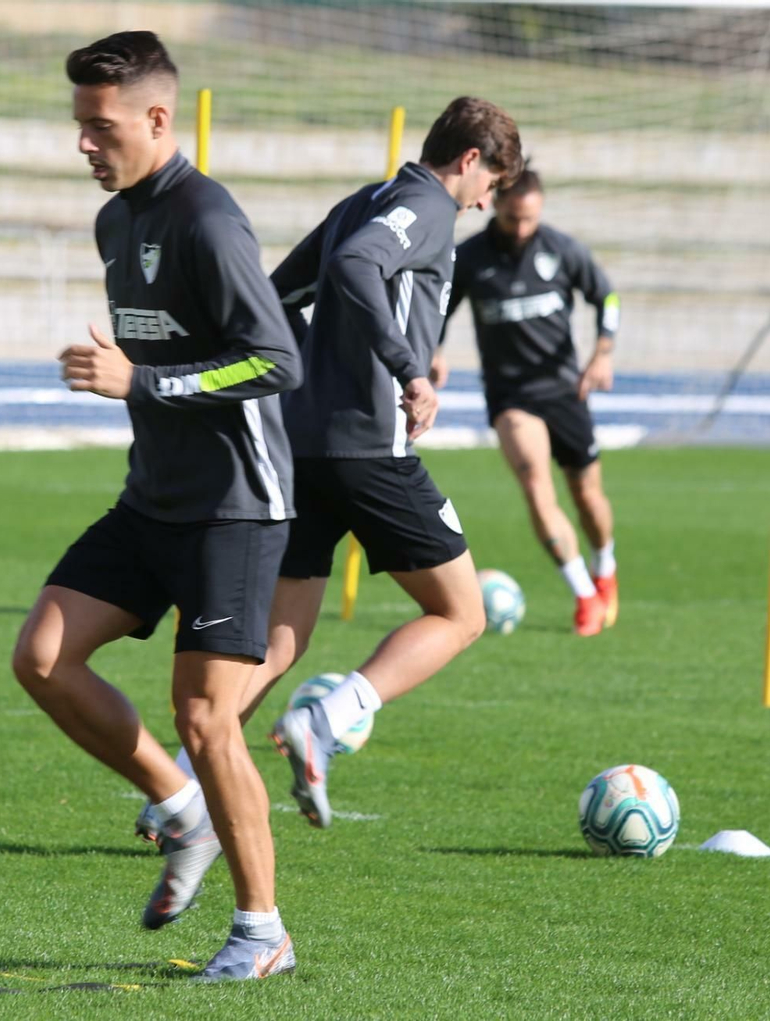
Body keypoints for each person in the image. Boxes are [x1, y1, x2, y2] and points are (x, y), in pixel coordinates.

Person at [134, 96, 520, 837]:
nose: (484, 205)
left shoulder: (362, 201)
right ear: (471, 160)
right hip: (370, 448)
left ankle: (178, 793)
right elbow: (354, 265)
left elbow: (280, 292)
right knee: (460, 612)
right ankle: (330, 719)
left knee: (282, 639)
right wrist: (406, 366)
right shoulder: (426, 207)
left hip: (301, 446)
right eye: (491, 186)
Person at [9, 32, 301, 982]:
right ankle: (182, 811)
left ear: (157, 118)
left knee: (210, 717)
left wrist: (142, 382)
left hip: (234, 510)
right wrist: (141, 383)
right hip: (153, 503)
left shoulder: (209, 221)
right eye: (80, 127)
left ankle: (263, 933)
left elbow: (274, 363)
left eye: (100, 127)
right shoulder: (113, 224)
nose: (85, 144)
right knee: (43, 656)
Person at [440, 164, 621, 635]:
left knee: (587, 497)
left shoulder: (561, 250)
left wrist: (602, 354)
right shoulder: (471, 258)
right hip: (512, 396)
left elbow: (608, 298)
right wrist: (433, 351)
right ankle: (583, 593)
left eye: (530, 219)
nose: (522, 228)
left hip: (565, 391)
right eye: (514, 218)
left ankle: (605, 567)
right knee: (537, 487)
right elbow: (437, 307)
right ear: (496, 205)